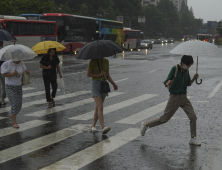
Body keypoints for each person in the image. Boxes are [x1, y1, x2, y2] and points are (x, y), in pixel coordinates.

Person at [140, 55, 201, 146]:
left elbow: (188, 84)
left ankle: (193, 138)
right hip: (174, 97)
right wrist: (168, 82)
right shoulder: (175, 69)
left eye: (190, 66)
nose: (188, 67)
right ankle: (146, 125)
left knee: (193, 117)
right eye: (188, 65)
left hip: (184, 97)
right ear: (183, 63)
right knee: (164, 119)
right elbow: (166, 82)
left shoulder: (186, 71)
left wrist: (194, 78)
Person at [87, 57, 118, 135]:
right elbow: (88, 74)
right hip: (95, 84)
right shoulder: (92, 61)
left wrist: (114, 84)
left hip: (104, 84)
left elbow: (107, 75)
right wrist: (99, 74)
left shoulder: (106, 61)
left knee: (98, 107)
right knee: (100, 107)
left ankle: (93, 125)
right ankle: (103, 127)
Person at [1, 60, 30, 128]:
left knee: (19, 105)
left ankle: (12, 114)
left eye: (20, 58)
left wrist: (27, 72)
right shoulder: (7, 63)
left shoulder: (21, 63)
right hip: (10, 86)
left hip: (19, 86)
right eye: (18, 58)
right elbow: (3, 74)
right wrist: (13, 74)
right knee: (14, 104)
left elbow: (23, 71)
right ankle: (14, 123)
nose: (19, 60)